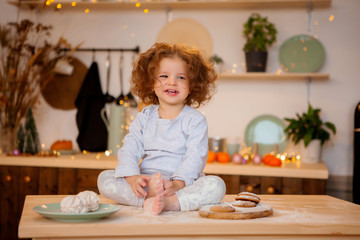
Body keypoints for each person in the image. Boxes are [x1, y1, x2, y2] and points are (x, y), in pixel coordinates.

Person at [97, 42, 226, 215]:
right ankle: (149, 197)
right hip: (146, 182)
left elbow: (195, 157)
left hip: (181, 184)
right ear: (151, 82)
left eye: (181, 77)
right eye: (164, 76)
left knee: (216, 185)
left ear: (192, 86)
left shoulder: (195, 120)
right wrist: (133, 178)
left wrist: (177, 184)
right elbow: (129, 149)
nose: (172, 82)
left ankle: (169, 202)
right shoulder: (144, 117)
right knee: (104, 179)